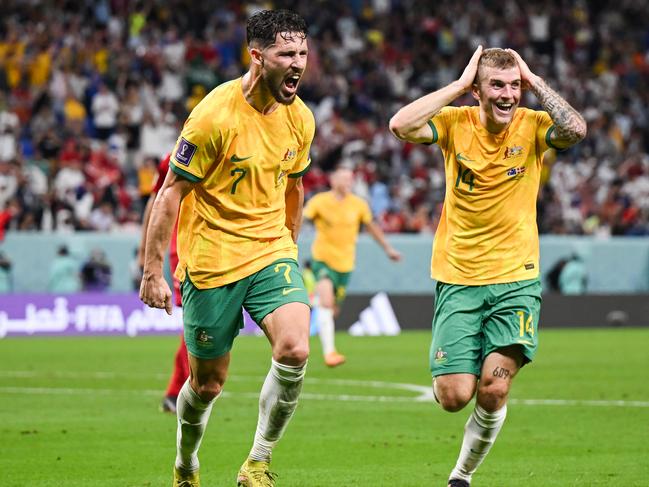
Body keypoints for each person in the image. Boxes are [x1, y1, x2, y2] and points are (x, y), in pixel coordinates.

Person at [389, 46, 586, 486]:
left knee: (494, 387)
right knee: (454, 395)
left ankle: (461, 476)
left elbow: (575, 129)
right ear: (478, 89)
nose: (508, 94)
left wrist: (536, 82)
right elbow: (401, 125)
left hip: (517, 278)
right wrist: (458, 85)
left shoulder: (533, 126)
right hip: (459, 278)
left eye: (514, 85)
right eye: (497, 84)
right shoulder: (455, 123)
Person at [139, 10, 314, 487]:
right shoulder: (213, 116)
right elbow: (170, 190)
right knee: (206, 384)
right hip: (212, 260)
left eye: (302, 52)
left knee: (296, 348)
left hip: (269, 251)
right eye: (286, 54)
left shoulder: (300, 119)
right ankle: (186, 462)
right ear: (257, 57)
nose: (298, 63)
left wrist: (290, 244)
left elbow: (295, 183)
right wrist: (153, 270)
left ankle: (257, 461)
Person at [303, 165, 401, 367]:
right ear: (333, 180)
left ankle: (310, 317)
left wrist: (388, 249)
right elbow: (302, 217)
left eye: (350, 179)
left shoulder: (359, 205)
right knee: (327, 302)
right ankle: (329, 353)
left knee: (332, 310)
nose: (348, 183)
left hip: (346, 264)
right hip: (322, 259)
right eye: (344, 179)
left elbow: (372, 227)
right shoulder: (319, 202)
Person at [138, 152, 189, 414]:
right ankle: (180, 389)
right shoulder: (176, 156)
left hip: (224, 249)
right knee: (196, 320)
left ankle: (185, 388)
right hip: (186, 248)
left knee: (206, 324)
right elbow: (156, 202)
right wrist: (144, 251)